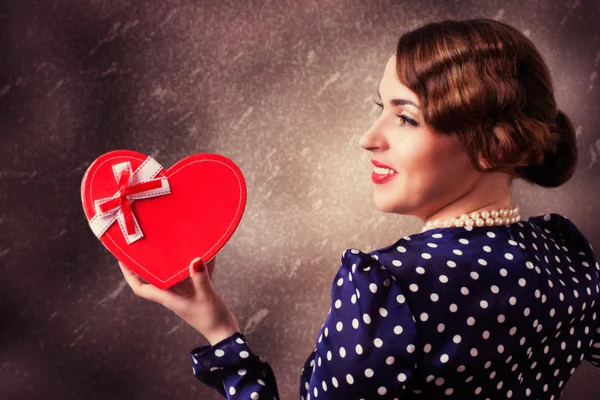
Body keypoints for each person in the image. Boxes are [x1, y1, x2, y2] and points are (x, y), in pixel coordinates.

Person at [118, 17, 599, 400]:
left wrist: (221, 334)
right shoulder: (566, 255)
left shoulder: (389, 289)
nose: (369, 138)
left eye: (406, 117)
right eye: (381, 108)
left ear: (492, 146)